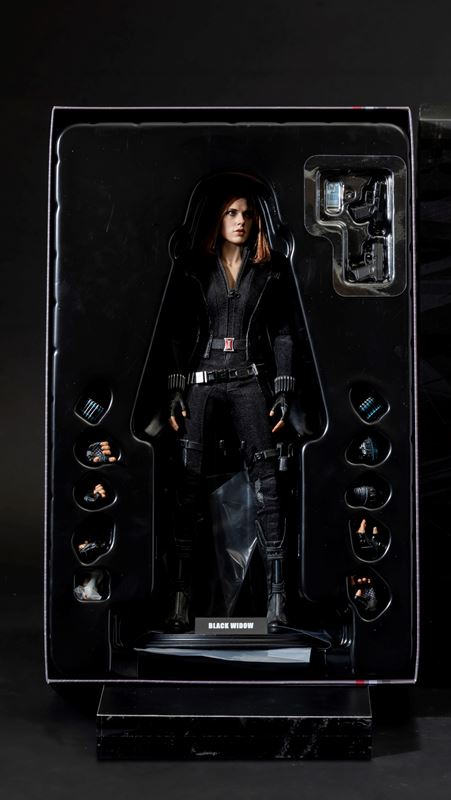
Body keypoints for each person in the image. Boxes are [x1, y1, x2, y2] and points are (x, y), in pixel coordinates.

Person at [163, 177, 297, 632]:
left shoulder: (268, 271)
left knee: (268, 483)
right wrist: (176, 386)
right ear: (217, 219)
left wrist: (283, 389)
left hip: (248, 379)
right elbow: (178, 331)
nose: (240, 222)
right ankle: (180, 596)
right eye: (231, 213)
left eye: (247, 214)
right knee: (187, 485)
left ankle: (277, 597)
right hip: (201, 379)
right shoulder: (195, 270)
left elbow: (283, 332)